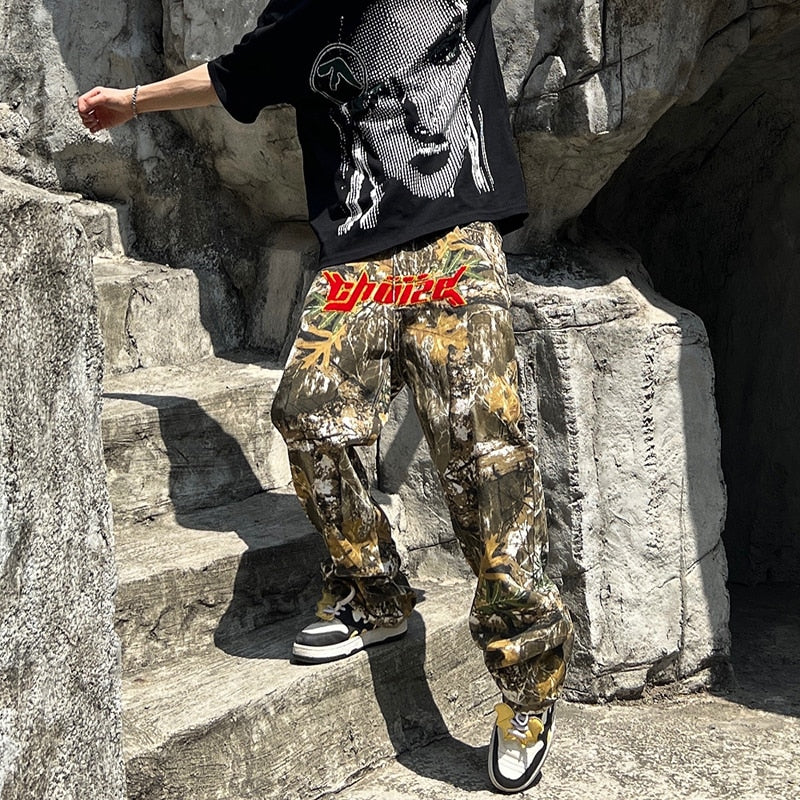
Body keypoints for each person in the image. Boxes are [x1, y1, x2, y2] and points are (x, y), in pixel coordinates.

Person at [78, 0, 574, 792]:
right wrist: (130, 102)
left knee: (483, 452)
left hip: (456, 241)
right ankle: (374, 592)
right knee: (307, 413)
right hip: (359, 263)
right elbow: (230, 77)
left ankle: (527, 683)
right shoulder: (301, 15)